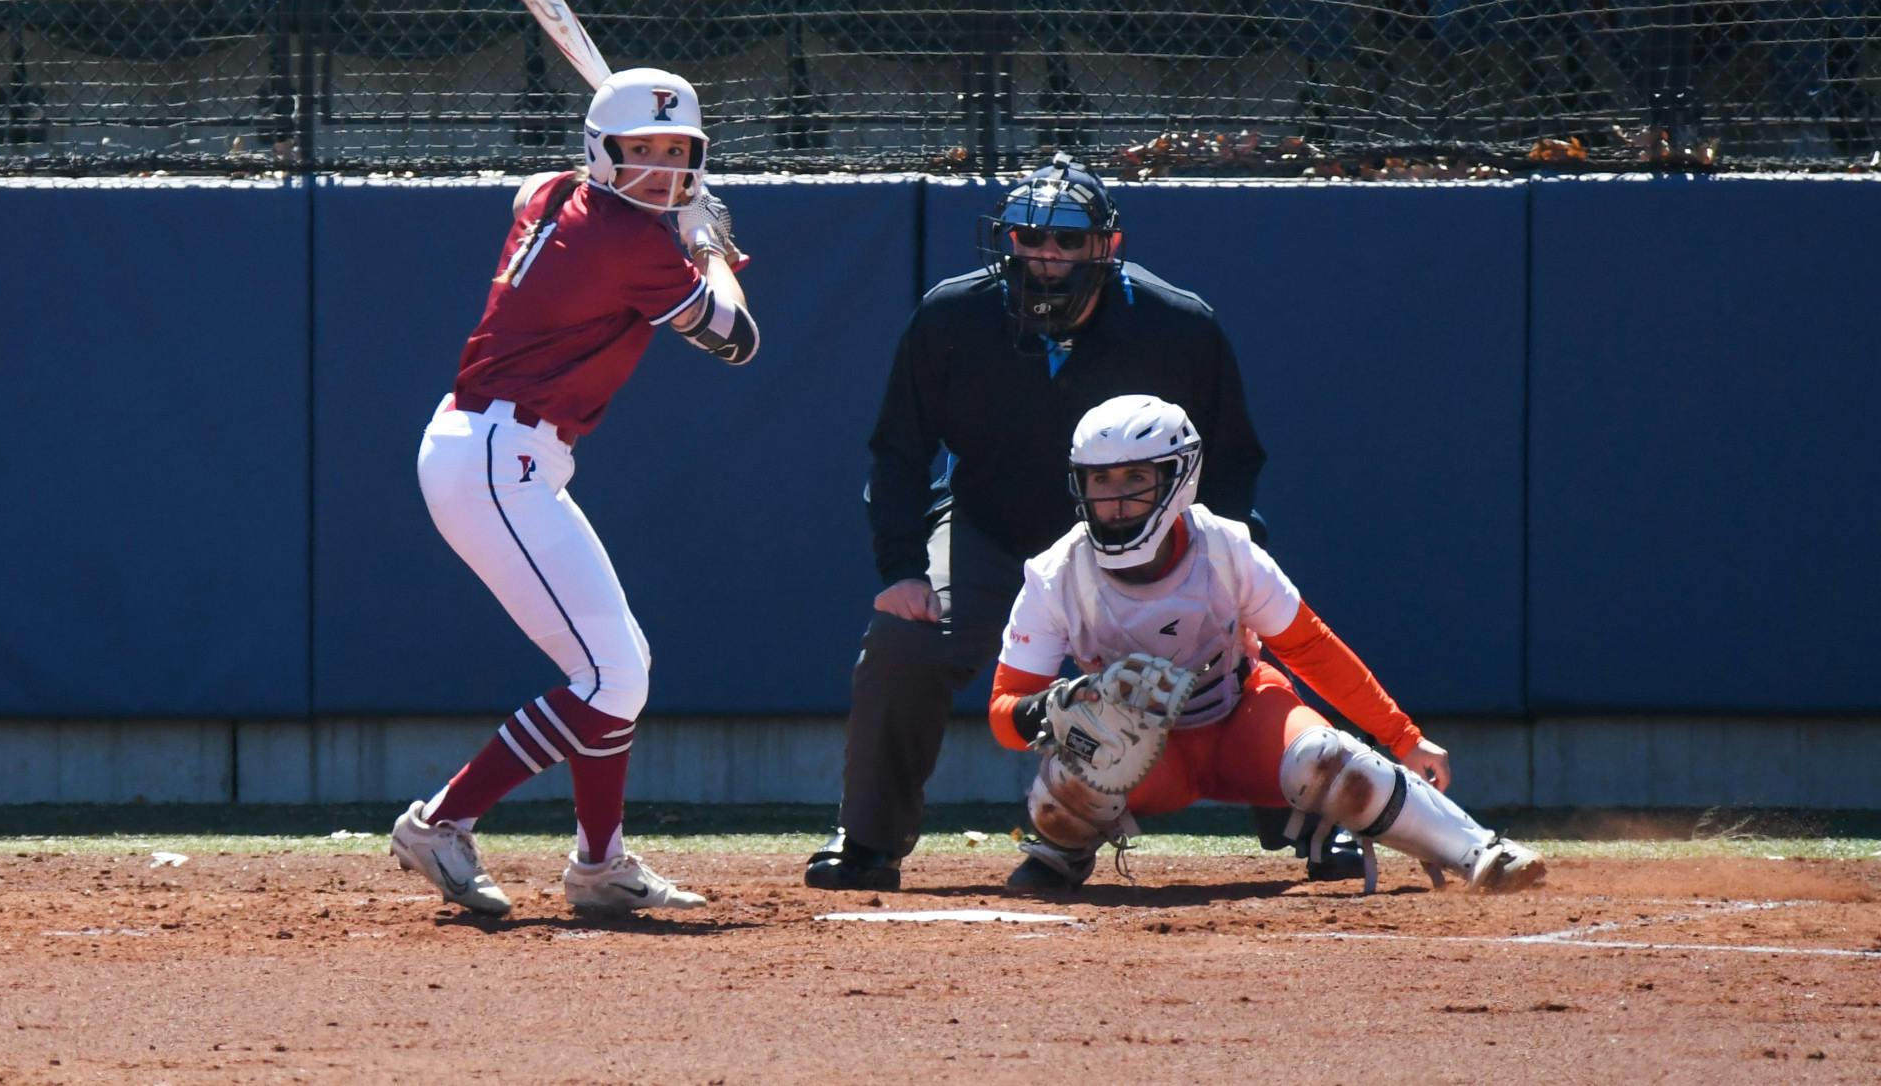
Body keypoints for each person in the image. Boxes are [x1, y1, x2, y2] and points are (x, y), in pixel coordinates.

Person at [805, 153, 1360, 891]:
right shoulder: (951, 316)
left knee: (1247, 646)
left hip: (1151, 544)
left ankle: (1318, 821)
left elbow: (1231, 460)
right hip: (992, 530)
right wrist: (901, 567)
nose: (1046, 257)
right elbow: (898, 451)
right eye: (1029, 239)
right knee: (906, 636)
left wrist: (1226, 572)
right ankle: (868, 840)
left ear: (1107, 246)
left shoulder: (1178, 326)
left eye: (1067, 241)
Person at [388, 67, 758, 918]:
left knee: (618, 667)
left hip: (502, 452)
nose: (661, 170)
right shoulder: (625, 241)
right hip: (495, 455)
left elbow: (538, 185)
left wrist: (678, 224)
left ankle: (600, 865)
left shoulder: (557, 192)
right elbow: (737, 339)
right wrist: (706, 245)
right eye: (640, 152)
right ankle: (441, 822)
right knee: (608, 675)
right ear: (601, 152)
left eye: (677, 152)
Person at [988, 393, 1545, 895]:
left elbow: (1309, 647)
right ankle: (1066, 842)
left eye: (1133, 477)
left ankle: (1480, 853)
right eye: (1099, 480)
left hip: (1240, 718)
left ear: (1179, 477)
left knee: (1327, 757)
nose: (1113, 499)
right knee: (1082, 744)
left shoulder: (1227, 548)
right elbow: (1002, 709)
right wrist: (1046, 710)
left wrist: (1403, 736)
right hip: (1143, 756)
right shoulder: (1054, 573)